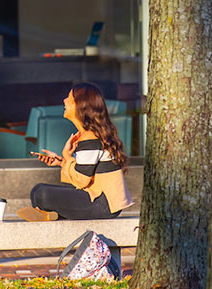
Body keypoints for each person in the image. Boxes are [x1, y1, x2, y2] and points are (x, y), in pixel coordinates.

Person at [19, 82, 132, 221]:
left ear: (80, 105)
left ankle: (52, 214)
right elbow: (86, 173)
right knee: (38, 190)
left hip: (103, 205)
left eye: (69, 98)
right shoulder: (88, 135)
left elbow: (81, 180)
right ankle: (53, 214)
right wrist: (61, 162)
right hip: (97, 199)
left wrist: (66, 156)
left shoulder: (90, 137)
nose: (64, 101)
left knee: (42, 194)